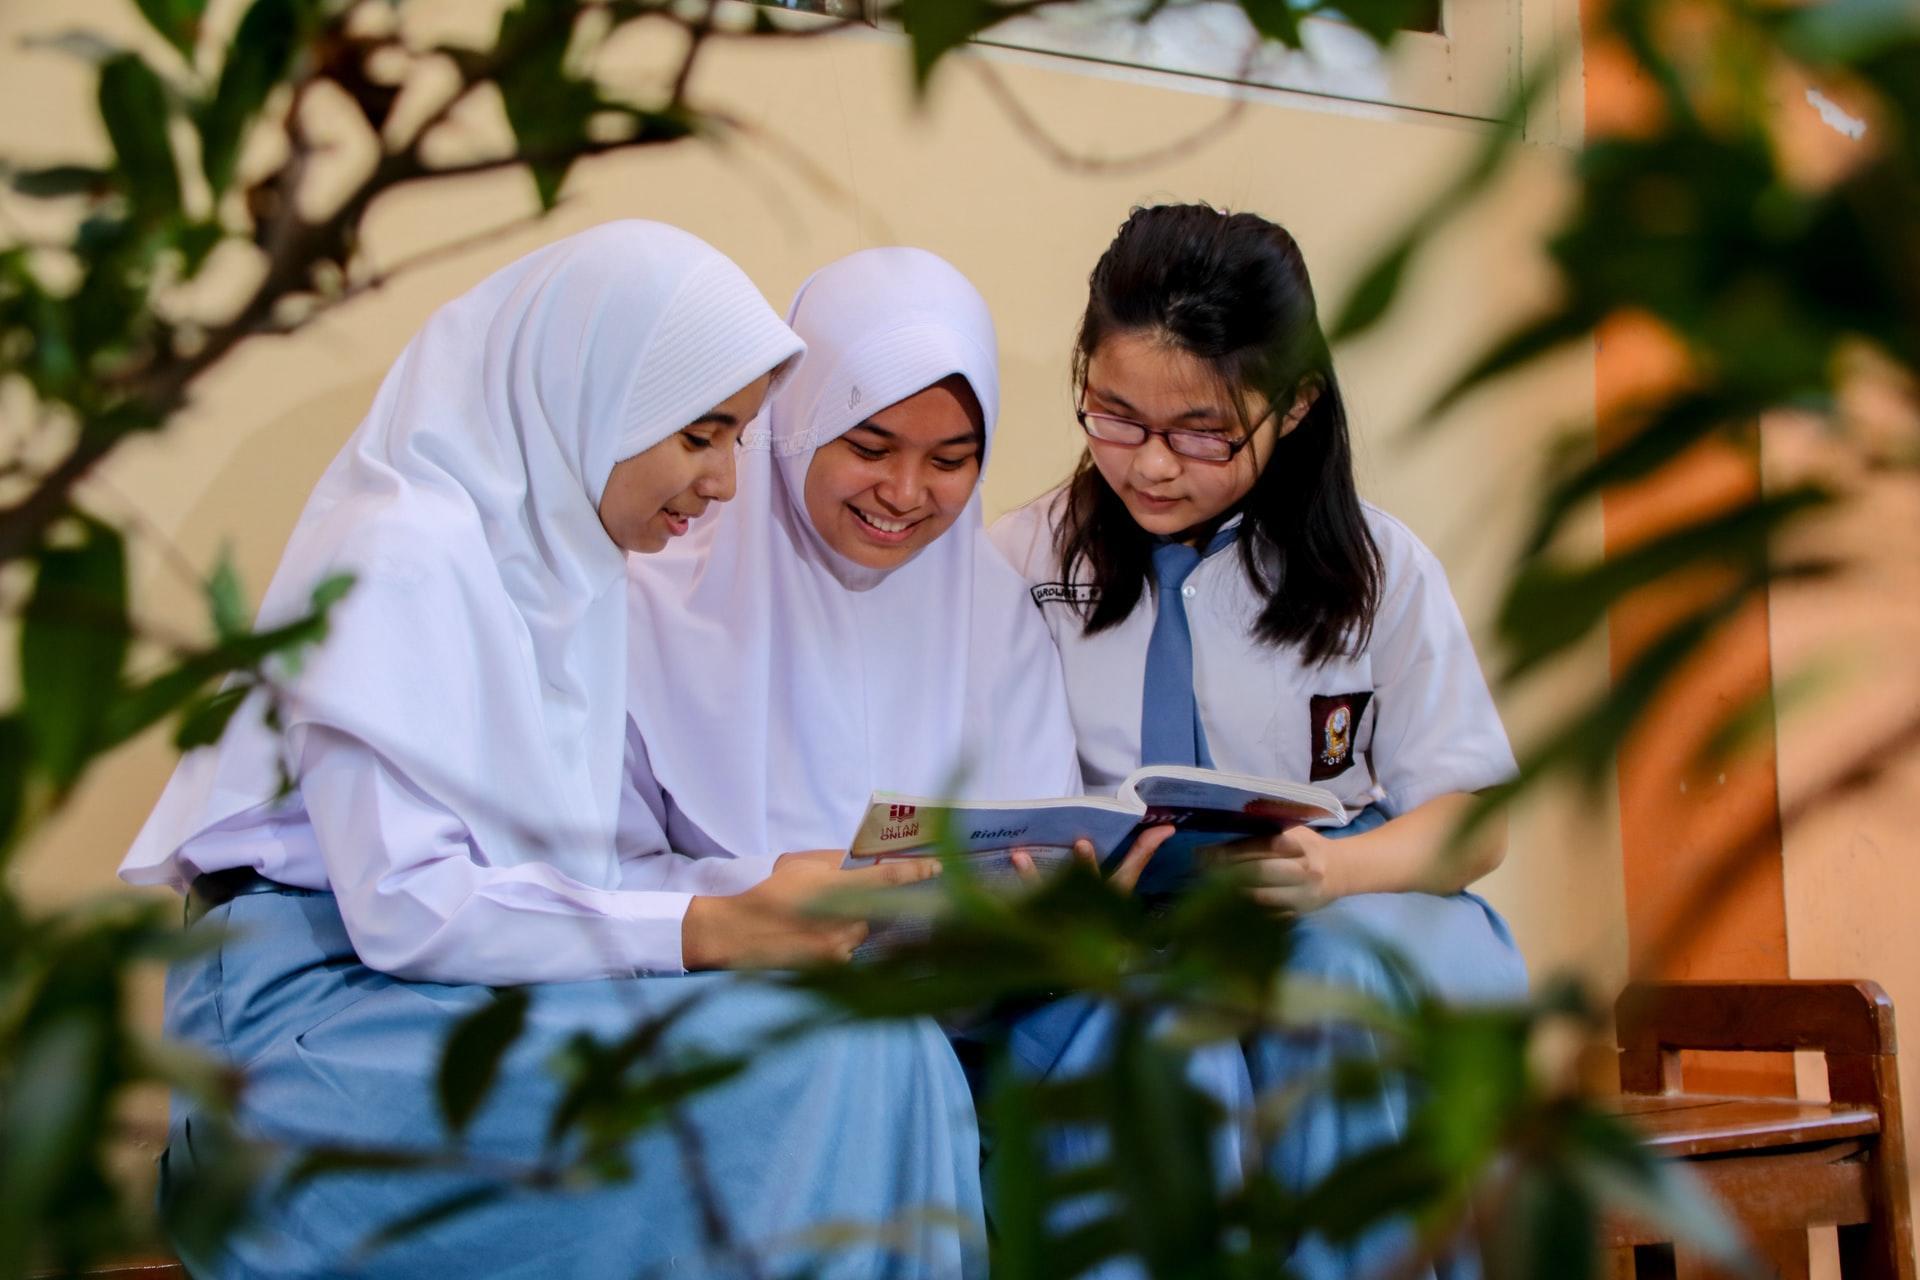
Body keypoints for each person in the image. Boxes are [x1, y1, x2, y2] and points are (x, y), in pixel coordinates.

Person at [120, 221, 980, 1279]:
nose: (721, 483)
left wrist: (786, 889)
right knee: (824, 1061)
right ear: (596, 393)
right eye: (699, 433)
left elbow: (566, 869)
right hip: (319, 1014)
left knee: (896, 1046)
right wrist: (714, 922)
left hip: (464, 986)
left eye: (738, 441)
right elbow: (412, 906)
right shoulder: (403, 553)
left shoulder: (564, 562)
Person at [990, 204, 1529, 1278]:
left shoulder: (1377, 567)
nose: (1149, 465)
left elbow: (1475, 818)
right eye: (1114, 416)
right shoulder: (1021, 558)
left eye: (1200, 431)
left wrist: (1333, 868)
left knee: (1326, 975)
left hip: (1357, 906)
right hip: (1133, 924)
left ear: (1294, 405)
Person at [624, 242, 1099, 946]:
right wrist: (754, 897)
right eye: (870, 450)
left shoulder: (995, 610)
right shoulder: (656, 601)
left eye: (949, 460)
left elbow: (1046, 834)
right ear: (793, 426)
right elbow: (603, 878)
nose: (905, 494)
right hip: (742, 996)